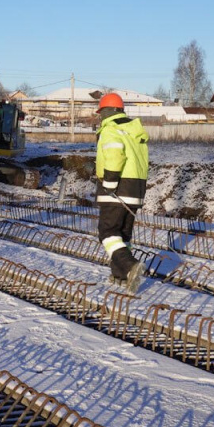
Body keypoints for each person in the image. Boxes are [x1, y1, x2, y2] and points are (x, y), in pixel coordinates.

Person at [94, 93, 149, 293]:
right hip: (136, 189)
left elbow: (115, 155)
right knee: (122, 235)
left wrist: (109, 183)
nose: (100, 117)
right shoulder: (134, 132)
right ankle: (120, 276)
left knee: (107, 233)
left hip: (117, 187)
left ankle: (129, 266)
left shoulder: (111, 130)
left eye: (101, 112)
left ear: (106, 111)